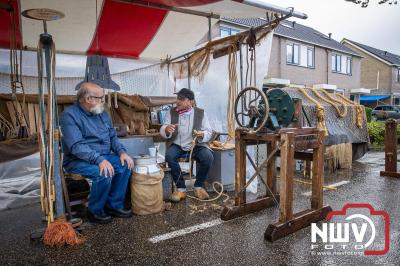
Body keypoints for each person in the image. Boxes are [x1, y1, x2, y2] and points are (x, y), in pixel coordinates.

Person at [60, 82, 134, 224]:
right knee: (103, 172)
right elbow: (77, 146)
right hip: (77, 160)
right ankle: (95, 210)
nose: (103, 101)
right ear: (88, 99)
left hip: (102, 156)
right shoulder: (69, 116)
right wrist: (99, 160)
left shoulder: (102, 113)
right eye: (101, 98)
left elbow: (113, 137)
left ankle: (114, 205)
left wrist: (122, 152)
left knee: (124, 165)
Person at [160, 88, 214, 202]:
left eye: (181, 99)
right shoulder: (171, 112)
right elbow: (163, 127)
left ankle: (198, 186)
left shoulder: (201, 113)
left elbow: (209, 131)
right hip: (178, 145)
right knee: (169, 156)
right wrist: (166, 129)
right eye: (177, 98)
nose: (177, 101)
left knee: (208, 157)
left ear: (191, 102)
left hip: (196, 146)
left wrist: (202, 134)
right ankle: (181, 188)